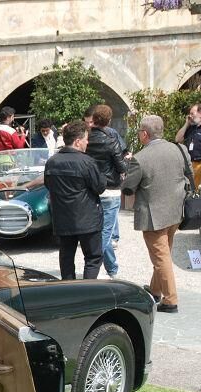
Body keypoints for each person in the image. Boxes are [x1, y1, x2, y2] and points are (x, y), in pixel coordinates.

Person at [123, 115, 187, 313]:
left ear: (144, 134)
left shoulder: (140, 158)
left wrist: (125, 174)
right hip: (175, 211)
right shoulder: (179, 149)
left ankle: (171, 299)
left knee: (161, 258)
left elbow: (128, 188)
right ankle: (155, 290)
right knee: (164, 252)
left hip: (153, 214)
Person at [44, 120, 105, 280]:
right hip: (87, 219)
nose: (87, 142)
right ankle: (88, 293)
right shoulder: (87, 162)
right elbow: (99, 187)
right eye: (86, 139)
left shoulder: (52, 162)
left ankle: (68, 291)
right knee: (92, 258)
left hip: (63, 218)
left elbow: (48, 185)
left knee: (66, 257)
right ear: (78, 141)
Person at [85, 104, 126, 278]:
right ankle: (92, 267)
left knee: (102, 231)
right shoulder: (110, 139)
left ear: (93, 119)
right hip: (110, 189)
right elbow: (121, 164)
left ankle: (112, 269)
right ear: (108, 121)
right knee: (105, 233)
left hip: (91, 188)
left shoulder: (85, 139)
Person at [175, 103, 201, 187]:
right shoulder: (190, 128)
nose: (190, 116)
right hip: (189, 165)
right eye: (189, 114)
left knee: (199, 190)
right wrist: (186, 124)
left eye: (192, 113)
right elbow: (177, 140)